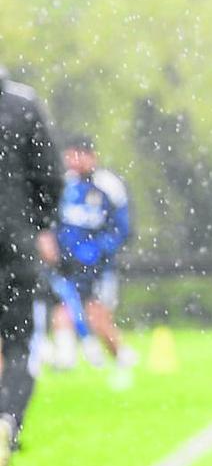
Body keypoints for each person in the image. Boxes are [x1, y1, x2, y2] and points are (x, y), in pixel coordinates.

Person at [0, 67, 63, 466]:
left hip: (16, 235)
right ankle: (7, 420)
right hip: (14, 241)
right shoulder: (23, 105)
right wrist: (37, 223)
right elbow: (51, 178)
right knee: (21, 344)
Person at [53, 136, 136, 375]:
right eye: (69, 155)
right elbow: (51, 222)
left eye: (78, 154)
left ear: (91, 156)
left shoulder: (108, 185)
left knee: (97, 317)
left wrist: (99, 249)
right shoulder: (63, 185)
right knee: (62, 309)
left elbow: (123, 229)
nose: (73, 161)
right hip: (66, 265)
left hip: (98, 267)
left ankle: (120, 357)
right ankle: (65, 360)